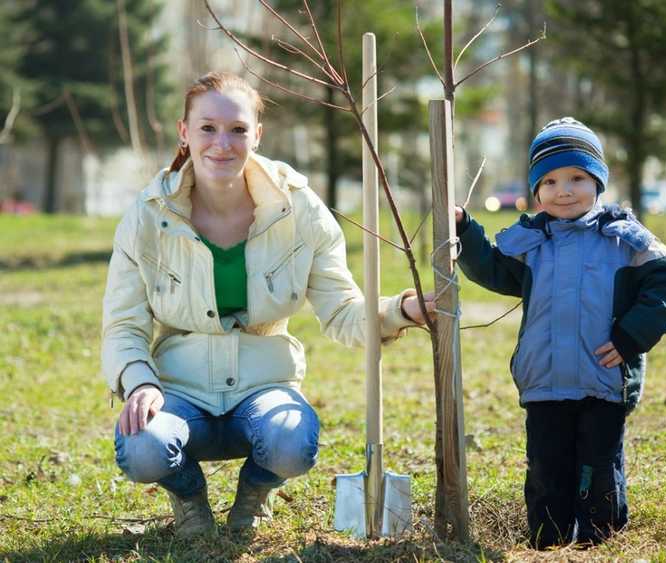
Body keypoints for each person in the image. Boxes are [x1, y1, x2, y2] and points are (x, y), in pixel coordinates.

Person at [101, 71, 433, 538]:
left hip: (263, 387)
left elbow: (342, 312)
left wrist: (404, 310)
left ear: (257, 135)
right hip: (179, 390)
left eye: (238, 129)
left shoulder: (298, 210)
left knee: (291, 442)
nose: (223, 143)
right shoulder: (148, 215)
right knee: (142, 447)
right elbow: (123, 324)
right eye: (207, 128)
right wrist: (139, 384)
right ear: (184, 132)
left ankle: (256, 492)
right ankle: (189, 498)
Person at [455, 117, 666, 548]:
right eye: (551, 181)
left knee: (598, 468)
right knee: (547, 467)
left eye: (578, 177)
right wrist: (464, 229)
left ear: (598, 181)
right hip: (544, 383)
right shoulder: (531, 243)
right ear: (537, 191)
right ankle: (548, 542)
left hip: (603, 380)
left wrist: (629, 338)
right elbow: (489, 267)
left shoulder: (624, 239)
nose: (564, 190)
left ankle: (599, 542)